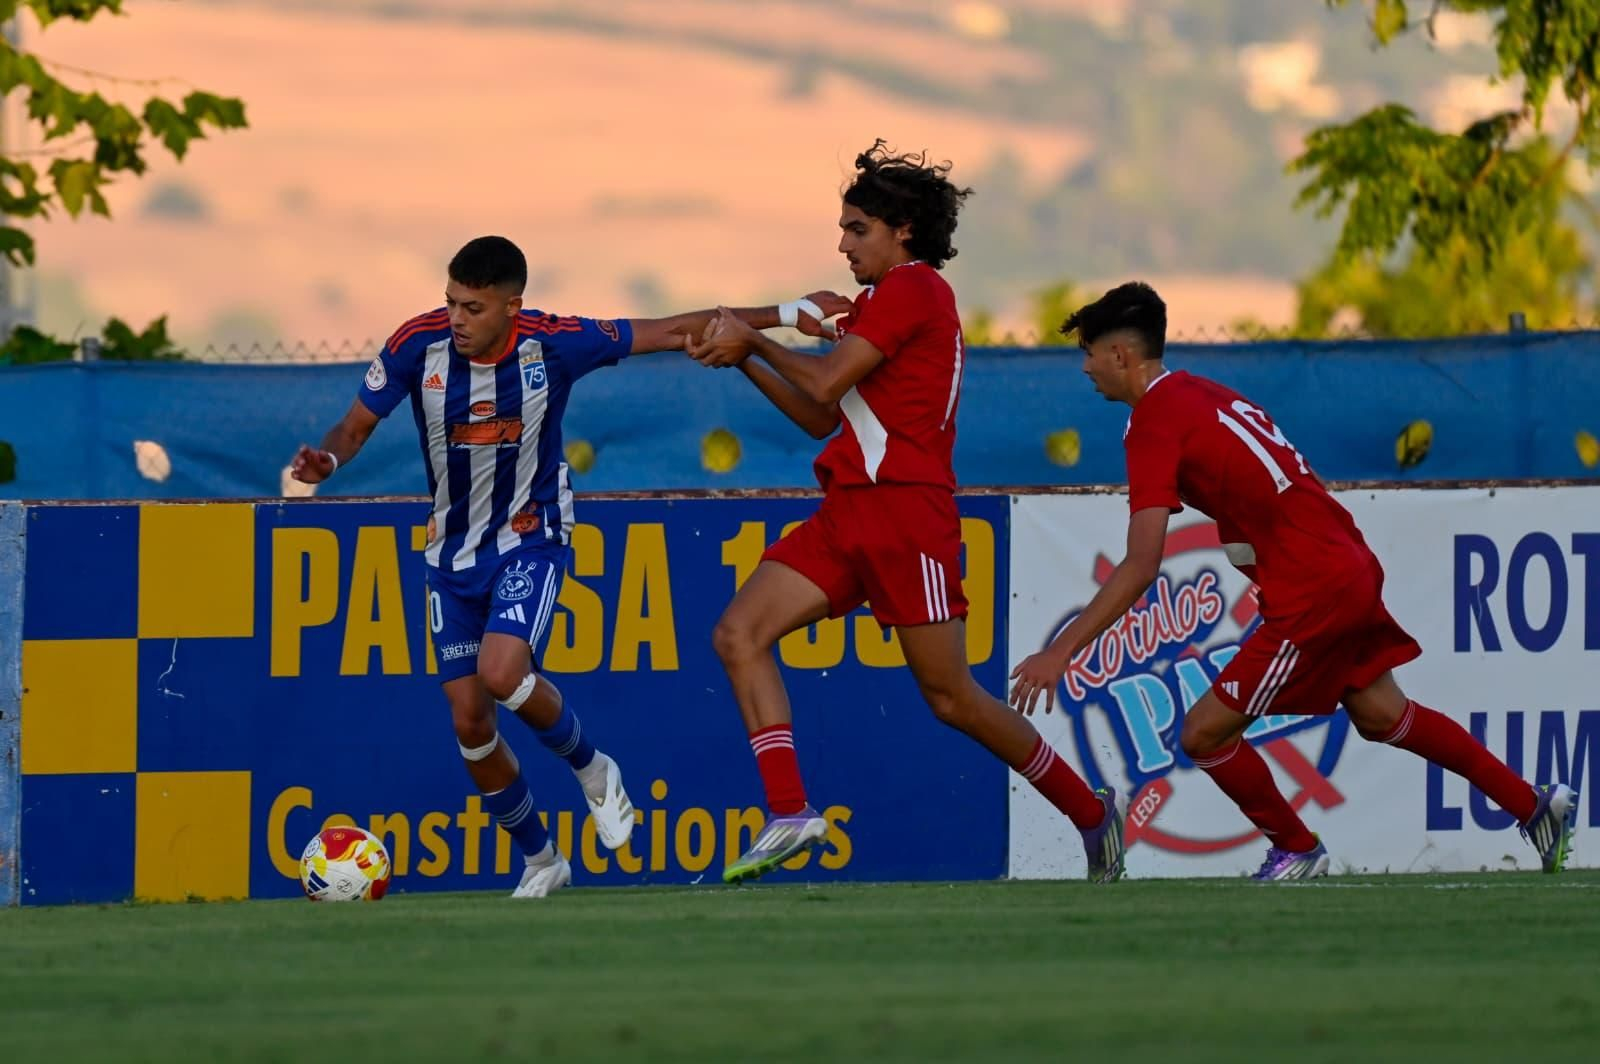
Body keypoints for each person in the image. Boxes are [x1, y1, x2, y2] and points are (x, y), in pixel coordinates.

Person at [291, 235, 839, 897]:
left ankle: (592, 767)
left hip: (531, 538)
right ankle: (542, 860)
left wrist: (787, 312)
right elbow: (351, 429)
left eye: (472, 308)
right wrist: (327, 461)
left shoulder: (555, 343)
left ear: (511, 306)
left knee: (501, 671)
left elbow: (673, 329)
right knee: (470, 722)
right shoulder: (417, 344)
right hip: (450, 556)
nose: (457, 318)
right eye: (451, 302)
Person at [1009, 281, 1579, 880]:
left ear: (1120, 354)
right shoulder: (1205, 394)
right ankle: (1533, 806)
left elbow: (1141, 564)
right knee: (1383, 714)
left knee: (1203, 734)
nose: (1085, 368)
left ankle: (1299, 849)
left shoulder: (1153, 421)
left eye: (1089, 354)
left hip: (1313, 589)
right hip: (1345, 562)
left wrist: (1060, 651)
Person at [687, 142, 1127, 885]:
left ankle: (1090, 811)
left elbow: (823, 385)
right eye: (843, 227)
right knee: (738, 634)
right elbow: (819, 418)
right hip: (848, 513)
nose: (842, 243)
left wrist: (757, 337)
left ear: (904, 231)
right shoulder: (878, 303)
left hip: (906, 517)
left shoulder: (917, 288)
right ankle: (791, 812)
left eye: (857, 228)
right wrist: (749, 360)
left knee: (952, 699)